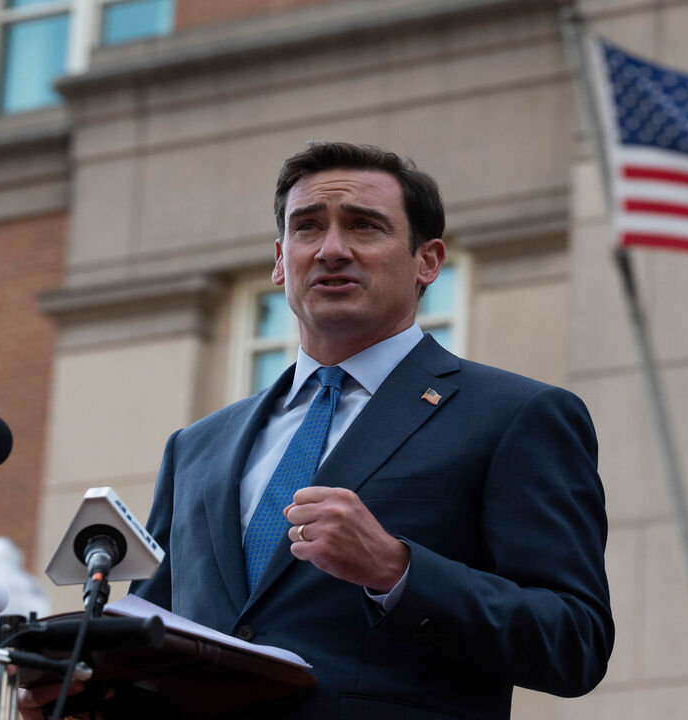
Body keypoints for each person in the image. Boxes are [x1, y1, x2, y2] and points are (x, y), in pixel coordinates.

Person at [67, 142, 611, 718]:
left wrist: (396, 570)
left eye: (365, 226)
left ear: (427, 261)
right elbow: (152, 637)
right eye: (307, 229)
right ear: (281, 260)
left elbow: (574, 640)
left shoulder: (515, 415)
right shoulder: (197, 447)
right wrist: (84, 692)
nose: (331, 249)